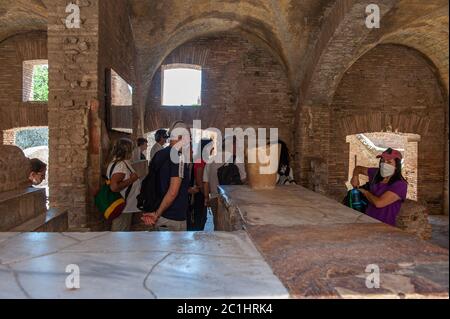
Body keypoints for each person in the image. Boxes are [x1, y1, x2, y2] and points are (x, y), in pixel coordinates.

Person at [141, 121, 191, 231]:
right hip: (173, 217)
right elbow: (173, 192)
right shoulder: (178, 157)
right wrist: (156, 214)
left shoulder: (159, 154)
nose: (189, 141)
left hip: (160, 211)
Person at [350, 148, 408, 227]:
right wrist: (355, 177)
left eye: (389, 162)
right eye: (382, 161)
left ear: (397, 166)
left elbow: (379, 203)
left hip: (384, 226)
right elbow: (358, 168)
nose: (384, 164)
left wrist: (365, 192)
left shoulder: (400, 185)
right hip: (367, 221)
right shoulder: (377, 174)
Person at [203, 136, 246, 230]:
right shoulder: (236, 160)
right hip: (232, 200)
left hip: (214, 198)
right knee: (232, 228)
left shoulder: (210, 160)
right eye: (236, 146)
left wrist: (206, 198)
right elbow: (243, 179)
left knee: (217, 226)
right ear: (232, 146)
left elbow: (205, 182)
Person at [107, 138, 142, 231]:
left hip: (124, 206)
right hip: (122, 207)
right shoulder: (121, 165)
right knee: (120, 234)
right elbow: (114, 187)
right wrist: (132, 179)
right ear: (126, 150)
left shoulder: (119, 162)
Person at [187, 139, 212, 231]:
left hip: (201, 194)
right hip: (199, 195)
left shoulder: (202, 159)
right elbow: (199, 181)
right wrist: (206, 196)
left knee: (202, 219)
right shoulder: (200, 160)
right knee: (199, 219)